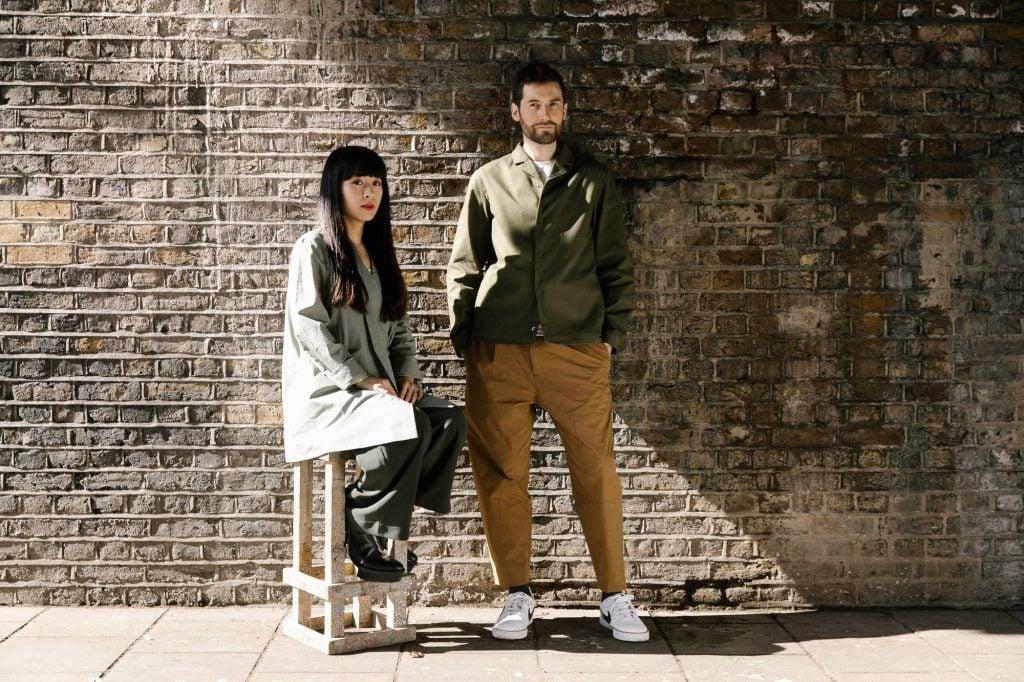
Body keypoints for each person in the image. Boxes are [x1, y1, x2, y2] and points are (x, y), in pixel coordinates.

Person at [446, 61, 648, 642]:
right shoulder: (488, 182)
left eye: (554, 104)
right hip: (499, 351)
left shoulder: (592, 180)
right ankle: (515, 593)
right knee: (502, 474)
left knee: (597, 472)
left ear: (565, 109)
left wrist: (609, 338)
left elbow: (616, 266)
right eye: (533, 105)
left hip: (577, 351)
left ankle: (615, 596)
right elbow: (465, 265)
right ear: (515, 112)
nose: (545, 115)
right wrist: (468, 339)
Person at [283, 145, 467, 582]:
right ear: (335, 189)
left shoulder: (379, 255)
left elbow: (399, 331)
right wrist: (362, 379)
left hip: (380, 392)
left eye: (376, 183)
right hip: (333, 393)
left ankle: (373, 512)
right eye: (357, 183)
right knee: (408, 426)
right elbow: (309, 328)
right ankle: (366, 524)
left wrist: (407, 375)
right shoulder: (314, 249)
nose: (369, 193)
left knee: (447, 420)